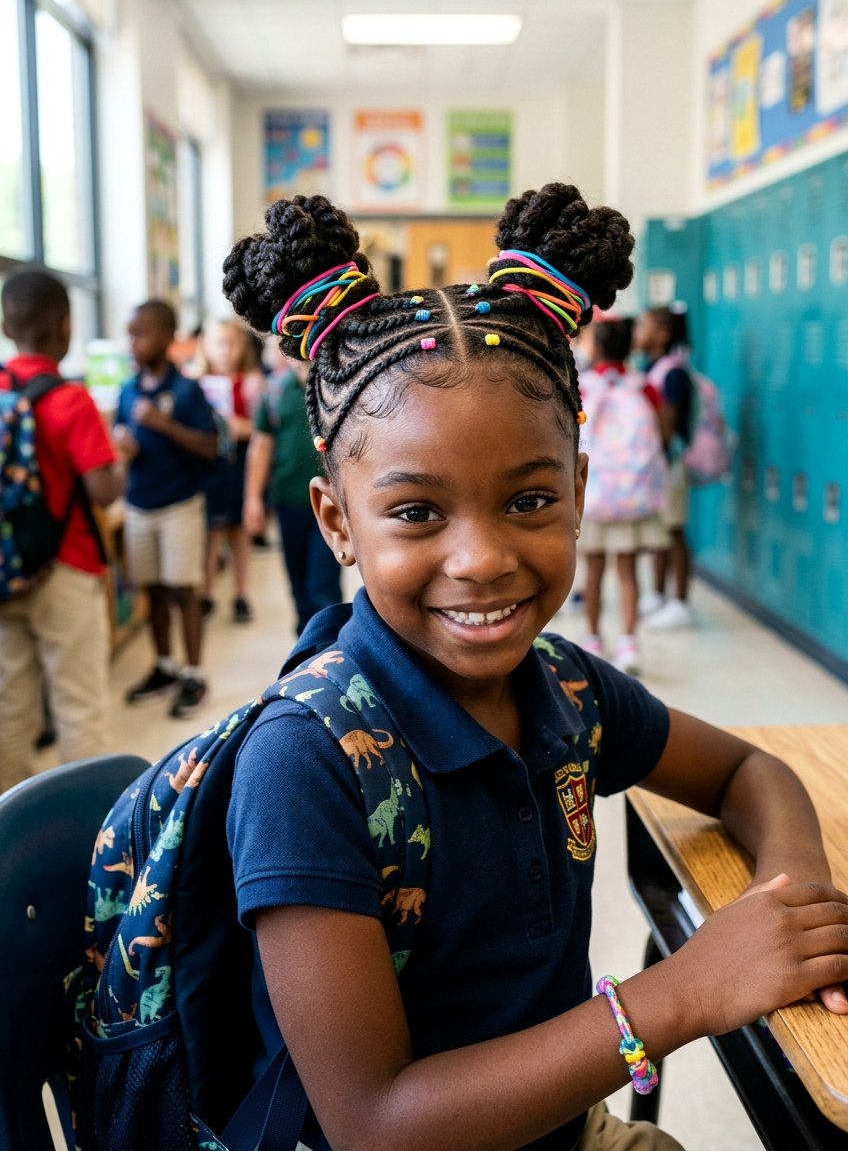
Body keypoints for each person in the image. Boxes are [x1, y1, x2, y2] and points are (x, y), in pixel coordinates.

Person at [222, 186, 848, 1151]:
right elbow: (374, 1124)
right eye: (418, 513)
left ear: (582, 493)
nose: (482, 558)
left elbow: (744, 771)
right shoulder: (306, 764)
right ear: (337, 520)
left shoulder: (562, 685)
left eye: (528, 501)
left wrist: (789, 905)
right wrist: (681, 992)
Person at [0, 268, 123, 791]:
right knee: (78, 704)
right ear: (64, 328)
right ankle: (83, 833)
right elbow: (103, 491)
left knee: (9, 705)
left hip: (6, 570)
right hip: (67, 568)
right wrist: (124, 459)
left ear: (7, 326)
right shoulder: (71, 400)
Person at [114, 298, 217, 717]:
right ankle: (164, 666)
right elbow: (121, 438)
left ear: (167, 338)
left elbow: (210, 446)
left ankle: (194, 674)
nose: (134, 343)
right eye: (131, 334)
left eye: (142, 333)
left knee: (182, 591)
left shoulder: (186, 390)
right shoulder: (126, 390)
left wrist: (163, 425)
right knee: (152, 589)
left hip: (179, 504)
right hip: (139, 504)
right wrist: (126, 447)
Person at [578, 316, 668, 673]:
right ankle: (629, 641)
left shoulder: (584, 386)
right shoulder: (642, 385)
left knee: (593, 569)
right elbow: (661, 434)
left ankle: (592, 637)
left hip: (595, 493)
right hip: (631, 495)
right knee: (628, 569)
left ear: (597, 347)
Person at [243, 357, 342, 636]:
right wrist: (252, 500)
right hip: (288, 502)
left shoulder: (335, 386)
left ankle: (329, 651)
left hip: (330, 506)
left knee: (321, 587)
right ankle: (306, 646)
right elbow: (261, 445)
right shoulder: (274, 392)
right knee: (298, 585)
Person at [193, 316, 264, 623]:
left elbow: (262, 431)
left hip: (240, 465)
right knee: (210, 532)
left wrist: (241, 427)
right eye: (218, 343)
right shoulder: (195, 383)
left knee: (238, 533)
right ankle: (207, 593)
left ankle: (241, 593)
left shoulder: (250, 383)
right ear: (205, 348)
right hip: (208, 469)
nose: (225, 350)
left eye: (232, 343)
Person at [632, 305, 694, 629]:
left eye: (643, 325)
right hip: (655, 466)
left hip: (669, 465)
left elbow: (666, 429)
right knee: (660, 528)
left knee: (674, 530)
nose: (637, 332)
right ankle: (657, 594)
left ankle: (680, 601)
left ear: (662, 334)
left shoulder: (673, 373)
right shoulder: (650, 366)